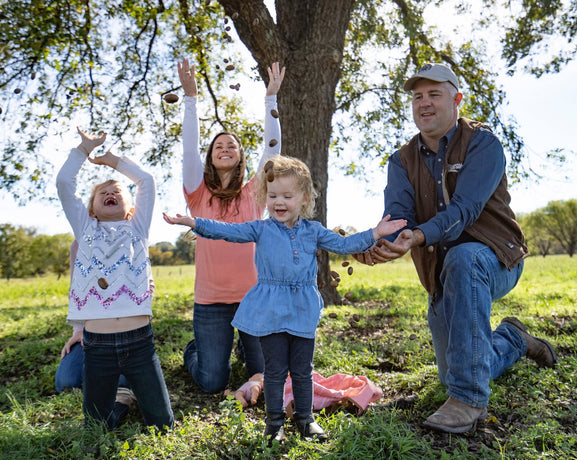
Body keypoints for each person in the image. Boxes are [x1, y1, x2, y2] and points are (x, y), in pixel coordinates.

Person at [353, 63, 558, 434]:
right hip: (442, 275)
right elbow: (398, 216)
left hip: (495, 258)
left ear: (457, 99)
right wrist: (379, 243)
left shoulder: (483, 144)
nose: (424, 103)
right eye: (418, 97)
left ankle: (469, 401)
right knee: (456, 369)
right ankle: (512, 339)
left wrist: (416, 237)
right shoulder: (401, 160)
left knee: (465, 259)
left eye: (434, 94)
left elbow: (464, 211)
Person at [163, 155, 407, 443]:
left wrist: (375, 233)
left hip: (302, 308)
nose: (279, 202)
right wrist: (194, 222)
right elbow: (227, 231)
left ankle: (305, 419)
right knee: (275, 370)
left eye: (287, 196)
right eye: (273, 196)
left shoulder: (314, 231)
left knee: (303, 370)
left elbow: (344, 245)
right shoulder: (261, 228)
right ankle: (274, 423)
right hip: (271, 309)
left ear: (304, 198)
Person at [177, 57, 285, 395]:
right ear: (211, 157)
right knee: (212, 381)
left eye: (231, 144)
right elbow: (188, 147)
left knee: (263, 374)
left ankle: (241, 346)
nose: (224, 148)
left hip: (254, 299)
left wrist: (271, 100)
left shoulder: (254, 192)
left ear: (240, 154)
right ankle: (198, 350)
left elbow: (272, 148)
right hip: (210, 302)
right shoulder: (197, 194)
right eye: (218, 146)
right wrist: (191, 98)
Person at [56, 127, 173, 430]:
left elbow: (146, 181)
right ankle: (121, 402)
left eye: (116, 191)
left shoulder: (137, 229)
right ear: (91, 209)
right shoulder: (85, 230)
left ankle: (126, 400)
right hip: (98, 346)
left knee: (162, 425)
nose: (110, 194)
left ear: (130, 207)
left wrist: (113, 161)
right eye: (102, 193)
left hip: (140, 343)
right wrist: (83, 150)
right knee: (95, 427)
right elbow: (64, 185)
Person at [54, 240, 134, 416]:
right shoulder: (78, 245)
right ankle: (99, 380)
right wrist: (79, 331)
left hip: (124, 332)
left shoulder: (130, 239)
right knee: (66, 382)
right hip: (90, 331)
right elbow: (76, 292)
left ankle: (118, 387)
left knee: (119, 384)